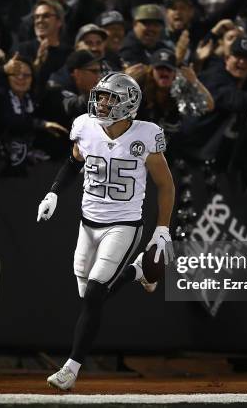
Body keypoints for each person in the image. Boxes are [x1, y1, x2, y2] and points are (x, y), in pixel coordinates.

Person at [36, 72, 175, 390]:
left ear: (129, 103)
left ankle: (71, 368)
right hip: (88, 223)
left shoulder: (146, 134)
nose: (101, 102)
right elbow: (73, 163)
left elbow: (165, 184)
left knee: (96, 294)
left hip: (123, 225)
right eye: (100, 96)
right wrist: (54, 192)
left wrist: (161, 229)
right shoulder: (84, 126)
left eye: (110, 97)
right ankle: (138, 271)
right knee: (88, 296)